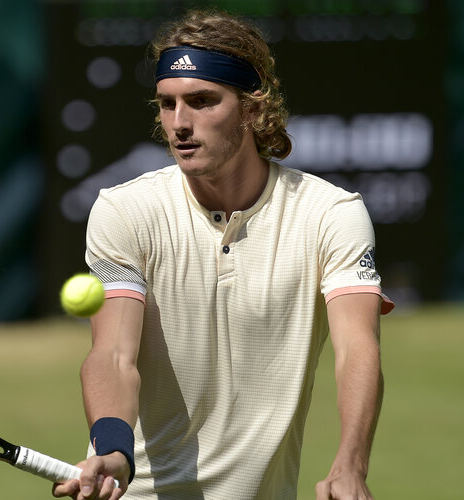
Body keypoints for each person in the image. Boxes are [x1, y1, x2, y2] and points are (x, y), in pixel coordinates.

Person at [53, 9, 394, 500]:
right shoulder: (123, 212)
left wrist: (350, 464)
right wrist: (113, 448)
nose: (179, 124)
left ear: (253, 109)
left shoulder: (332, 214)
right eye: (167, 104)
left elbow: (357, 348)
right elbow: (112, 353)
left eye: (202, 101)